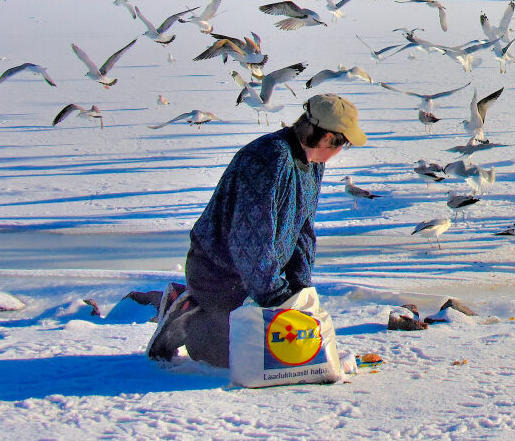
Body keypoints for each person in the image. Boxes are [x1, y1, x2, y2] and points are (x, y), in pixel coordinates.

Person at [147, 93, 366, 366]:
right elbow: (250, 236)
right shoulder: (268, 160)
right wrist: (273, 295)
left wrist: (298, 287)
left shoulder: (313, 164)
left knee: (287, 350)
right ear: (326, 137)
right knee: (239, 355)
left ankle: (230, 309)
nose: (343, 149)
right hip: (218, 272)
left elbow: (303, 226)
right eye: (343, 142)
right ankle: (187, 312)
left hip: (258, 273)